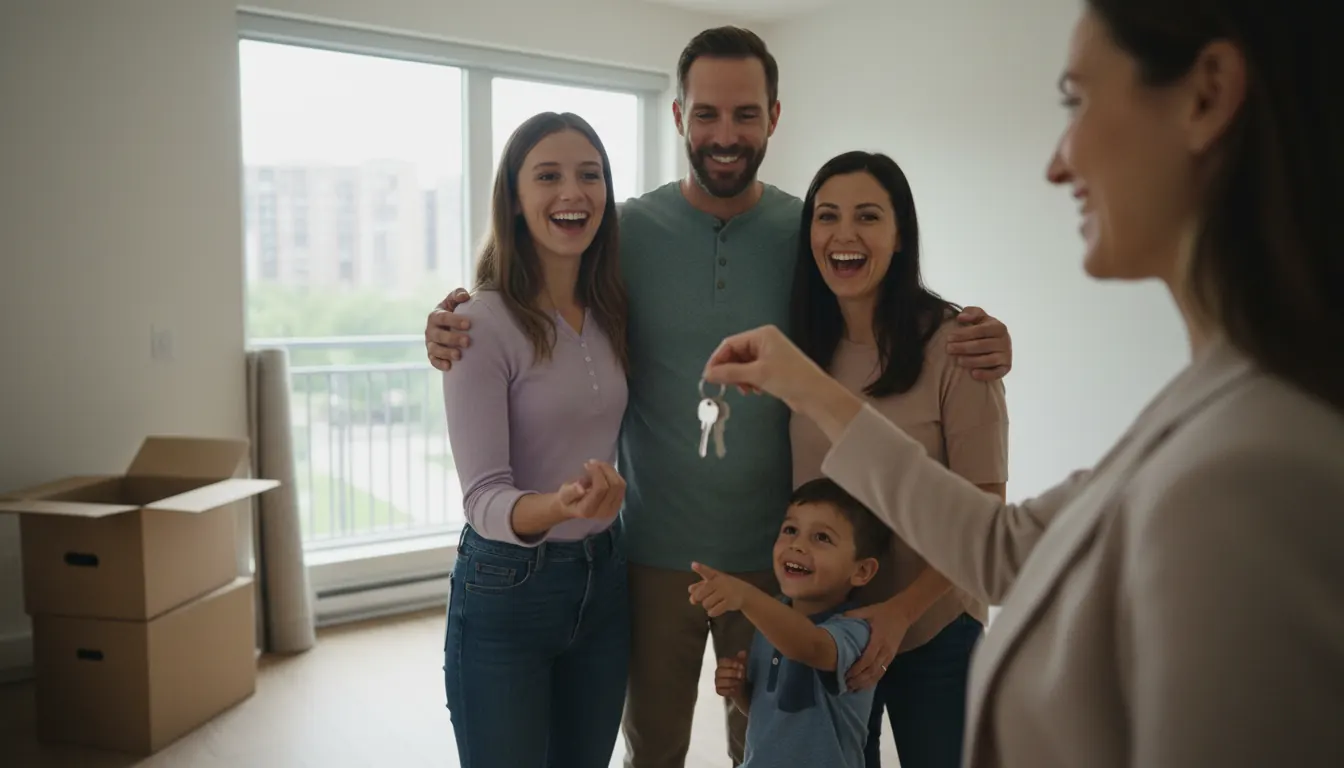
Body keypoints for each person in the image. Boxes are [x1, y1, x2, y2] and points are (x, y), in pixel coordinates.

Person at [701, 3, 1344, 767]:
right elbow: (1001, 547)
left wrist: (900, 612)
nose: (1057, 162)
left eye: (1078, 102)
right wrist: (808, 385)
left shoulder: (1264, 457)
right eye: (829, 217)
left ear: (1206, 97)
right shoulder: (1207, 408)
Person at [425, 28, 1016, 768]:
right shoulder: (626, 230)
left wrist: (980, 333)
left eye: (744, 114)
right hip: (644, 556)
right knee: (654, 751)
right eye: (706, 114)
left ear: (774, 116)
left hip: (785, 559)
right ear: (678, 117)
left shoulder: (808, 232)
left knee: (784, 748)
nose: (725, 134)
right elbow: (543, 280)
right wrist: (457, 318)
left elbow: (880, 294)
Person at [789, 150, 1009, 768]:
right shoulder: (800, 347)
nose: (844, 235)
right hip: (831, 634)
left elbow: (985, 508)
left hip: (935, 631)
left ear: (900, 235)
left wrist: (899, 612)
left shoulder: (958, 345)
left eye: (867, 217)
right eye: (827, 216)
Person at [440, 111, 632, 768]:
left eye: (590, 175)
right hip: (507, 589)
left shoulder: (613, 310)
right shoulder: (477, 323)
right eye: (547, 176)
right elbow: (484, 498)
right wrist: (561, 505)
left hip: (606, 580)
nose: (572, 193)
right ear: (516, 202)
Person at [699, 478, 892, 768]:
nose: (798, 545)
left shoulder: (858, 631)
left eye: (822, 538)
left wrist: (746, 597)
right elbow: (764, 712)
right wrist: (739, 690)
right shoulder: (773, 617)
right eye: (790, 530)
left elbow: (811, 646)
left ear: (862, 570)